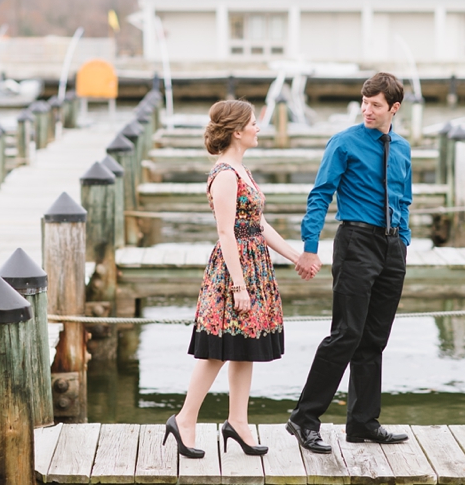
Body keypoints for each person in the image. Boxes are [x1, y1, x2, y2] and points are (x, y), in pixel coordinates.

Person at [164, 99, 314, 459]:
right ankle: (184, 420)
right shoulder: (226, 175)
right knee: (217, 350)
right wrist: (239, 286)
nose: (258, 128)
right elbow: (226, 232)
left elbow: (258, 225)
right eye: (253, 123)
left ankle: (238, 422)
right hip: (234, 270)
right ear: (236, 131)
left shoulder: (241, 170)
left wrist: (297, 257)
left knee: (244, 348)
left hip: (253, 265)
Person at [286, 72, 413, 453]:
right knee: (346, 334)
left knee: (374, 339)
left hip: (391, 249)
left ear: (394, 108)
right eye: (364, 102)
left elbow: (404, 199)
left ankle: (362, 423)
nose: (367, 110)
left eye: (375, 104)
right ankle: (304, 418)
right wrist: (310, 248)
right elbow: (320, 195)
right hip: (356, 242)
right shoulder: (343, 143)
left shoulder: (403, 148)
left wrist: (403, 242)